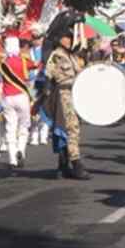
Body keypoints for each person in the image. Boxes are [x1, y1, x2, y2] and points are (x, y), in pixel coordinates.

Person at [45, 12, 88, 180]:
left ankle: (63, 165)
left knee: (68, 129)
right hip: (64, 95)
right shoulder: (57, 55)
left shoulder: (70, 55)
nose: (70, 39)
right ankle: (76, 164)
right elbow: (51, 75)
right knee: (71, 129)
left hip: (73, 94)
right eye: (67, 37)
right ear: (60, 39)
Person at [0, 33, 33, 168]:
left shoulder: (2, 63)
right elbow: (37, 65)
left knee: (10, 128)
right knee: (24, 126)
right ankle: (21, 150)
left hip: (7, 97)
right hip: (21, 96)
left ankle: (12, 159)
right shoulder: (23, 61)